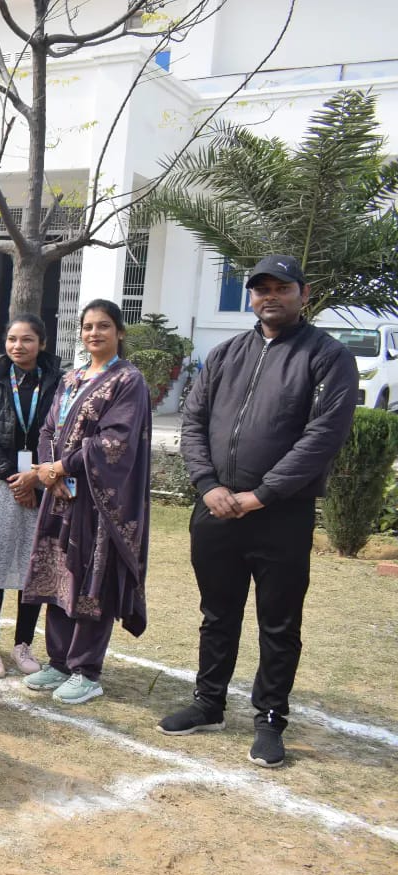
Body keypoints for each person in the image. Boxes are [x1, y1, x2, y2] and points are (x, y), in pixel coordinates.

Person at [159, 255, 359, 768]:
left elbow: (322, 436)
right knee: (217, 614)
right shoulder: (226, 354)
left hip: (280, 515)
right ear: (251, 296)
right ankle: (209, 703)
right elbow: (194, 421)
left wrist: (262, 494)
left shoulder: (327, 357)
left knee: (279, 623)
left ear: (303, 294)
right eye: (261, 288)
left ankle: (270, 718)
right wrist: (207, 485)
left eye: (282, 287)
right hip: (216, 509)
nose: (270, 296)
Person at [23, 299, 152, 706]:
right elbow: (48, 428)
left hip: (100, 501)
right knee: (59, 576)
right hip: (61, 496)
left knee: (91, 579)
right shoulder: (71, 378)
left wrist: (61, 467)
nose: (94, 333)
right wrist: (50, 471)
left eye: (104, 326)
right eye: (88, 326)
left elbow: (114, 442)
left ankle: (86, 670)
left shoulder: (128, 380)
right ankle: (59, 661)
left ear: (120, 332)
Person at [0, 314, 62, 677]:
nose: (18, 346)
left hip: (42, 478)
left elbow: (62, 433)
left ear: (42, 343)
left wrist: (35, 478)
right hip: (0, 480)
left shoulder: (57, 379)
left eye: (26, 340)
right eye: (12, 339)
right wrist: (16, 479)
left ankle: (23, 644)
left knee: (32, 563)